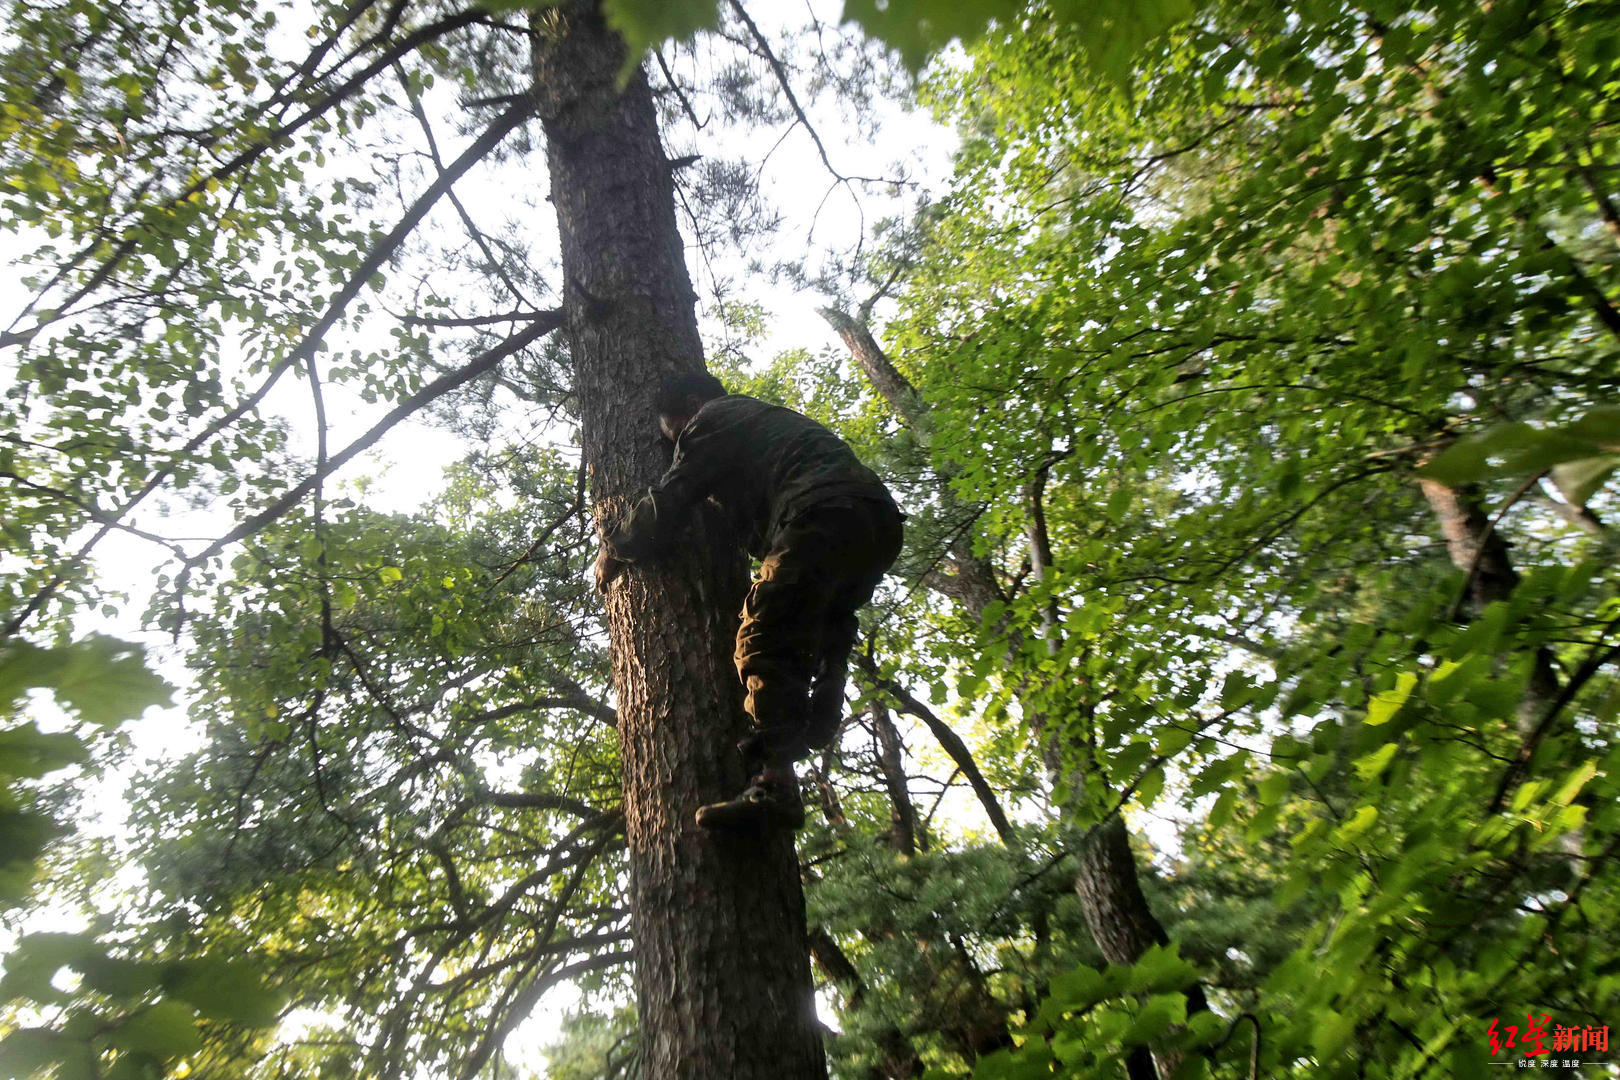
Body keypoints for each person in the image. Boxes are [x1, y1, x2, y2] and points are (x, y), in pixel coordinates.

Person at [594, 371, 903, 830]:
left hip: (820, 509)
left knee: (763, 629)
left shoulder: (715, 417)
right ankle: (828, 684)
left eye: (675, 433)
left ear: (694, 406)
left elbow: (675, 493)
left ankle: (776, 785)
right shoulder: (765, 424)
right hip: (875, 523)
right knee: (819, 609)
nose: (677, 443)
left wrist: (616, 546)